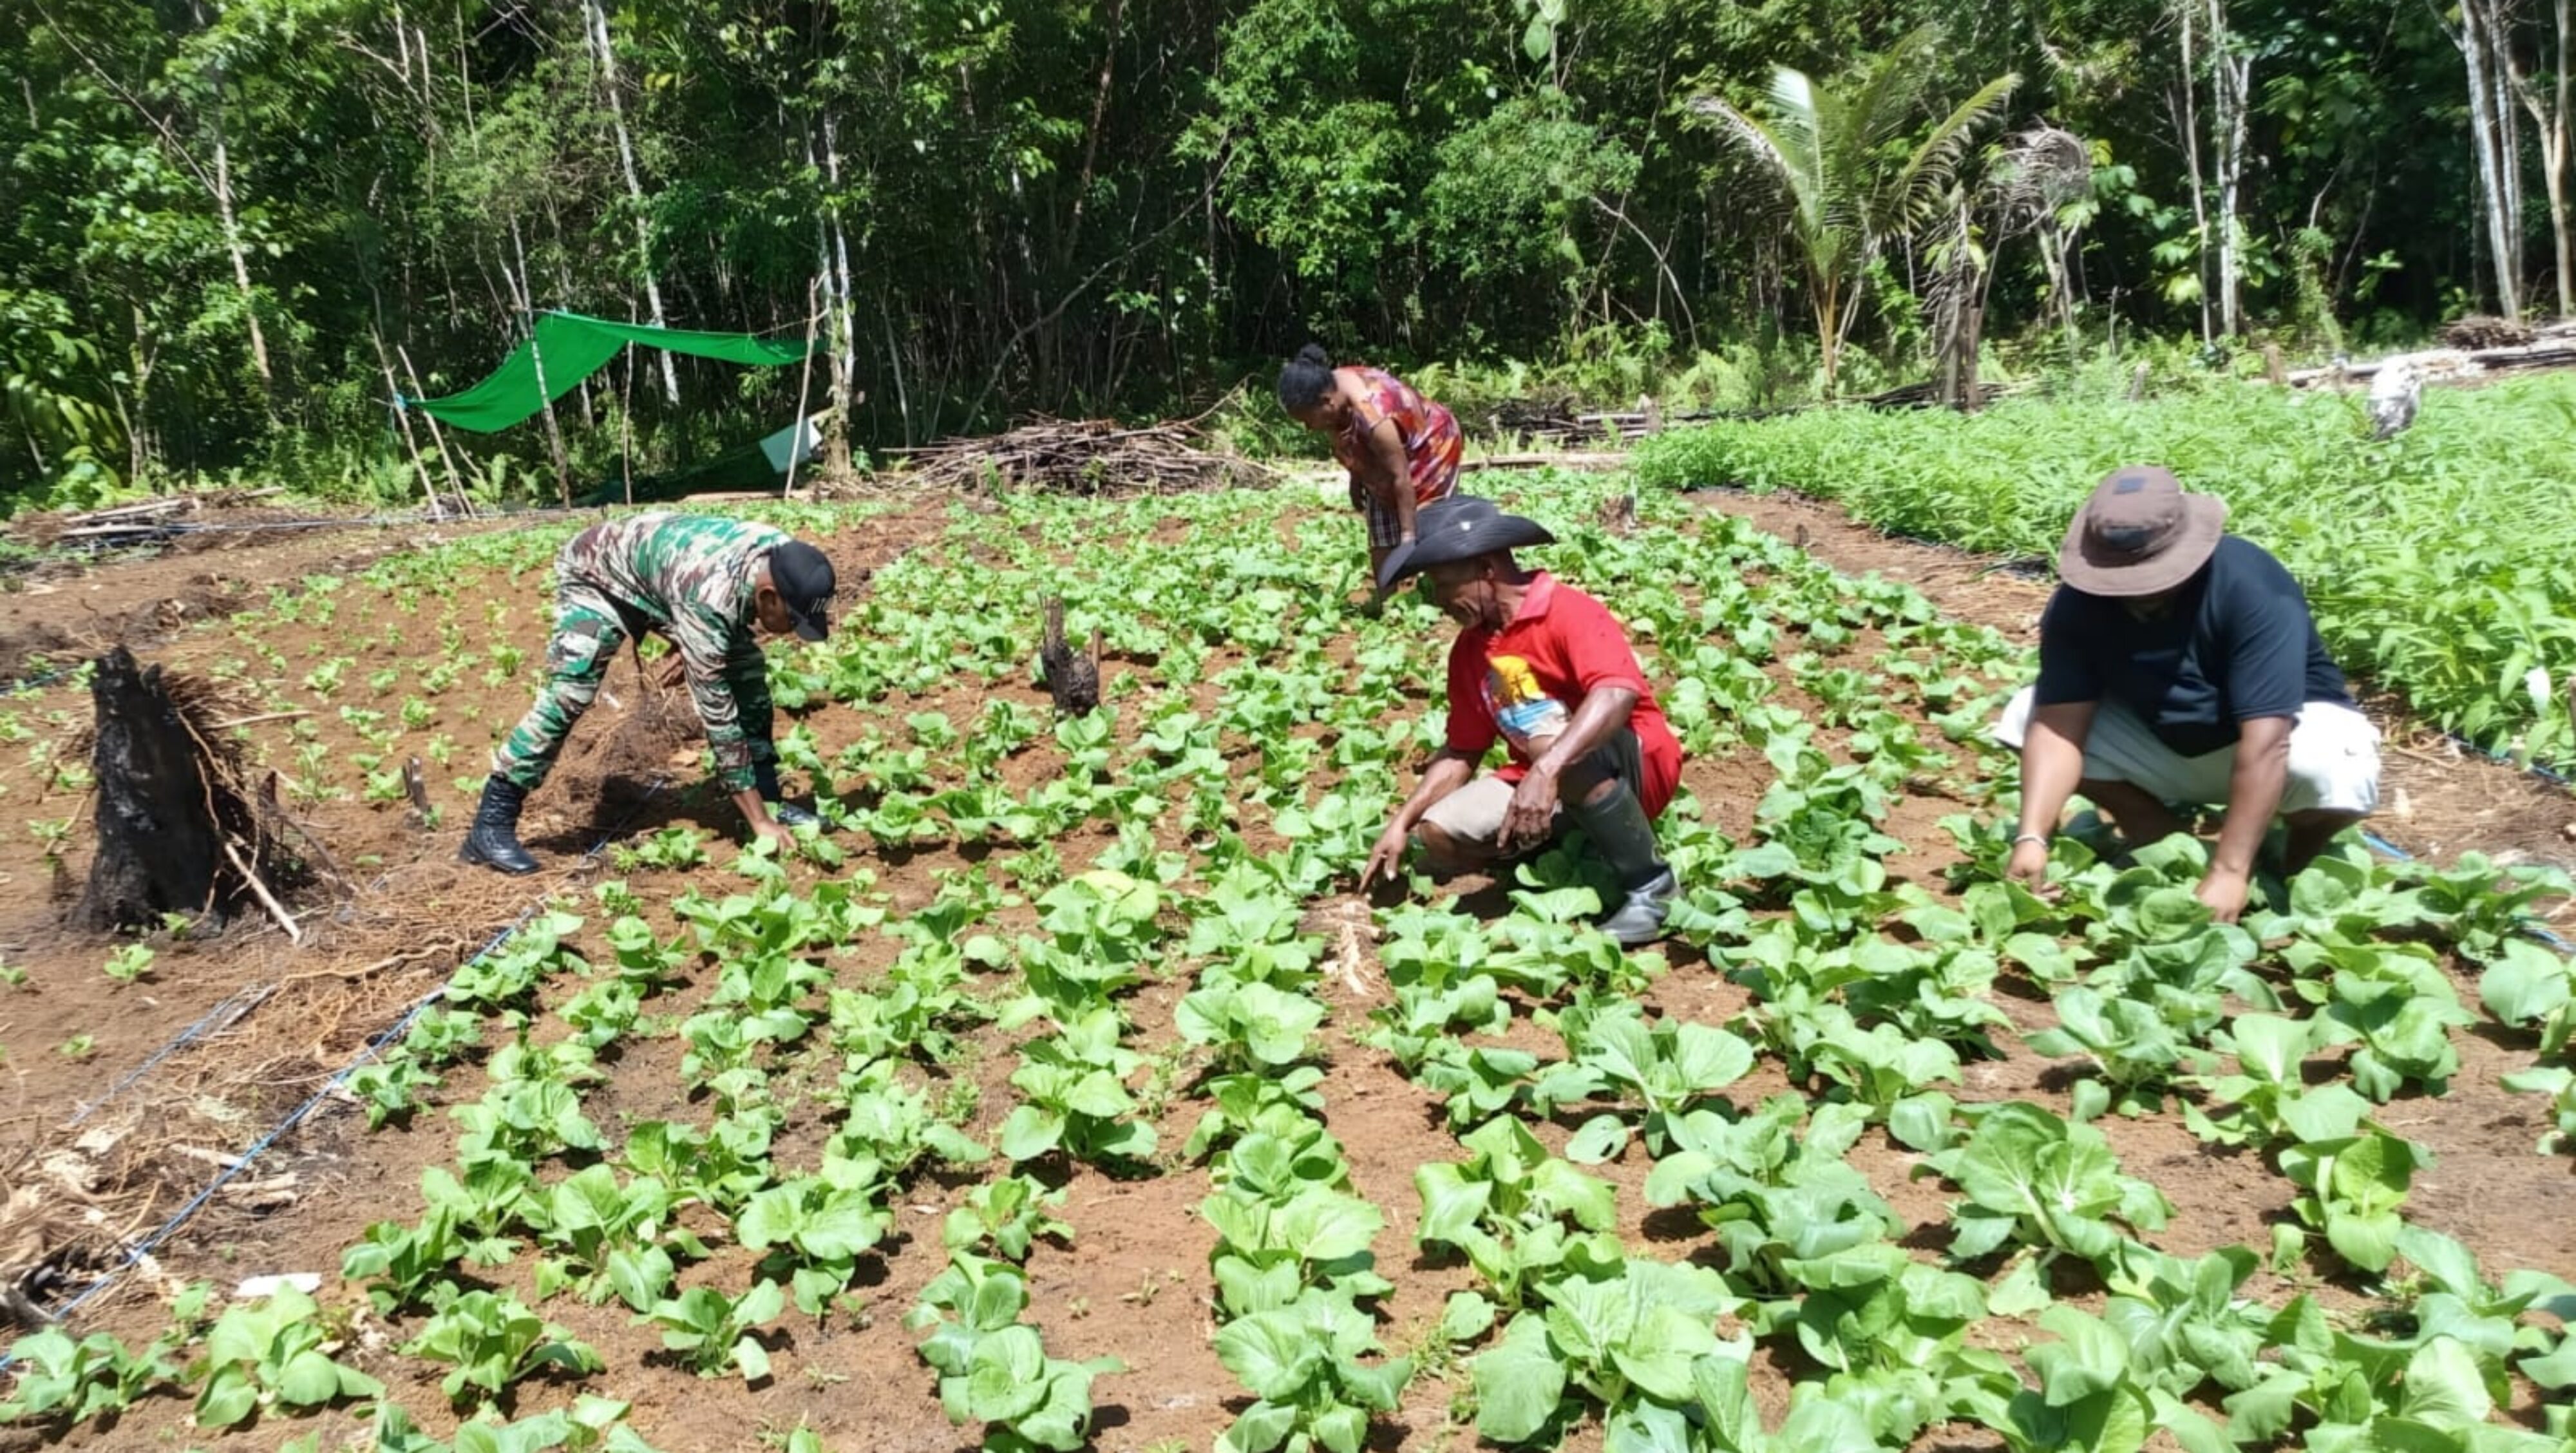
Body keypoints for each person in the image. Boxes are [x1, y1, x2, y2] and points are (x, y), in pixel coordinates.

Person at [1998, 466, 2381, 922]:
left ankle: (2294, 863)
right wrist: (2032, 837)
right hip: (2171, 741)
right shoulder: (2078, 603)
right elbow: (2059, 726)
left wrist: (2230, 870)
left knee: (2332, 768)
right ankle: (2159, 833)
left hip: (2276, 741)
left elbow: (2268, 741)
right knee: (2026, 716)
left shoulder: (2250, 586)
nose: (2134, 587)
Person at [1361, 495, 1683, 945]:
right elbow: (1462, 750)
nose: (1440, 602)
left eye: (1445, 585)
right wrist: (1402, 821)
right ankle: (1563, 857)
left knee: (1546, 745)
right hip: (1546, 775)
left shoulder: (1567, 610)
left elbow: (1616, 693)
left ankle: (1652, 887)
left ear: (1486, 568)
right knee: (1438, 833)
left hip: (1633, 766)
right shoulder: (1471, 650)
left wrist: (1547, 770)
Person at [460, 512, 839, 875]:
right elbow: (719, 719)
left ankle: (770, 798)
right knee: (572, 690)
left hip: (668, 578)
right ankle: (492, 823)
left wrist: (691, 638)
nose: (794, 632)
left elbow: (690, 595)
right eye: (793, 620)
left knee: (749, 677)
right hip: (595, 577)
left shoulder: (784, 556)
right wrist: (758, 823)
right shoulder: (711, 598)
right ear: (769, 597)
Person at [1276, 344, 1464, 594]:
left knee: (1428, 518)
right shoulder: (1330, 391)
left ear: (1327, 403)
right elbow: (1354, 445)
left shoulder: (1373, 415)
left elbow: (1400, 476)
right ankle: (1387, 600)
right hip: (1389, 446)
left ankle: (1446, 589)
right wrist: (1357, 479)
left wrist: (1408, 538)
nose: (1309, 429)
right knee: (1381, 526)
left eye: (1308, 420)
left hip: (1430, 442)